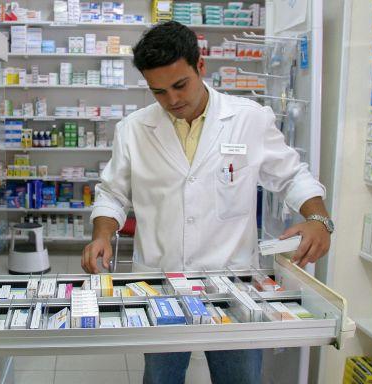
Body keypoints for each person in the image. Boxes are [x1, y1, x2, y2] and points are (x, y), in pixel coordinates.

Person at [81, 21, 333, 384]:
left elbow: (292, 175)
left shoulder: (249, 118)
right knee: (161, 378)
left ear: (201, 67)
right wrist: (102, 234)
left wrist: (318, 219)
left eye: (180, 85)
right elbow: (112, 193)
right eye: (159, 92)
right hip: (159, 282)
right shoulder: (133, 130)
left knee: (240, 378)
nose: (172, 100)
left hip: (233, 285)